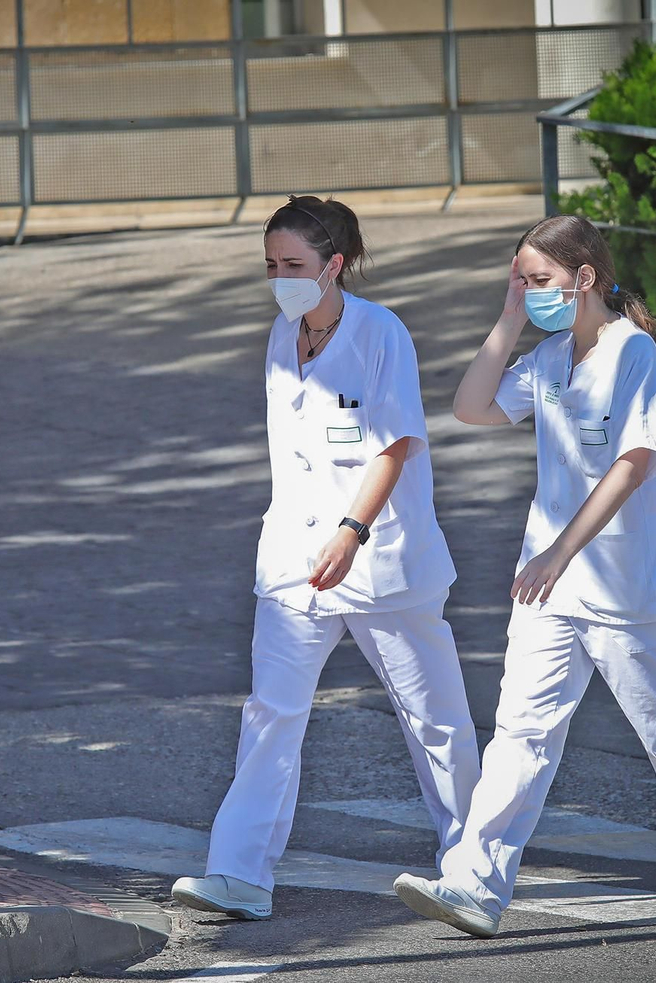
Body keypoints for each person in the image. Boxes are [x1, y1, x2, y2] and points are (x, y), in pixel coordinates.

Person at [393, 215, 656, 935]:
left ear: (584, 277)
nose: (531, 292)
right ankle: (474, 884)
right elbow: (471, 407)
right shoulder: (550, 356)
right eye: (521, 281)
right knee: (520, 732)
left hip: (625, 586)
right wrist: (508, 318)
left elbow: (634, 461)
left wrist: (560, 550)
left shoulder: (632, 353)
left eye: (540, 281)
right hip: (548, 590)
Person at [170, 196, 480, 920]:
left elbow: (395, 443)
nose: (280, 279)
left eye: (294, 265)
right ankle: (238, 873)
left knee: (434, 720)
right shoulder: (283, 334)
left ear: (333, 264)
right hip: (293, 562)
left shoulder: (380, 332)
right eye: (271, 265)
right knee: (270, 714)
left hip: (379, 560)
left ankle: (475, 867)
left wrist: (351, 529)